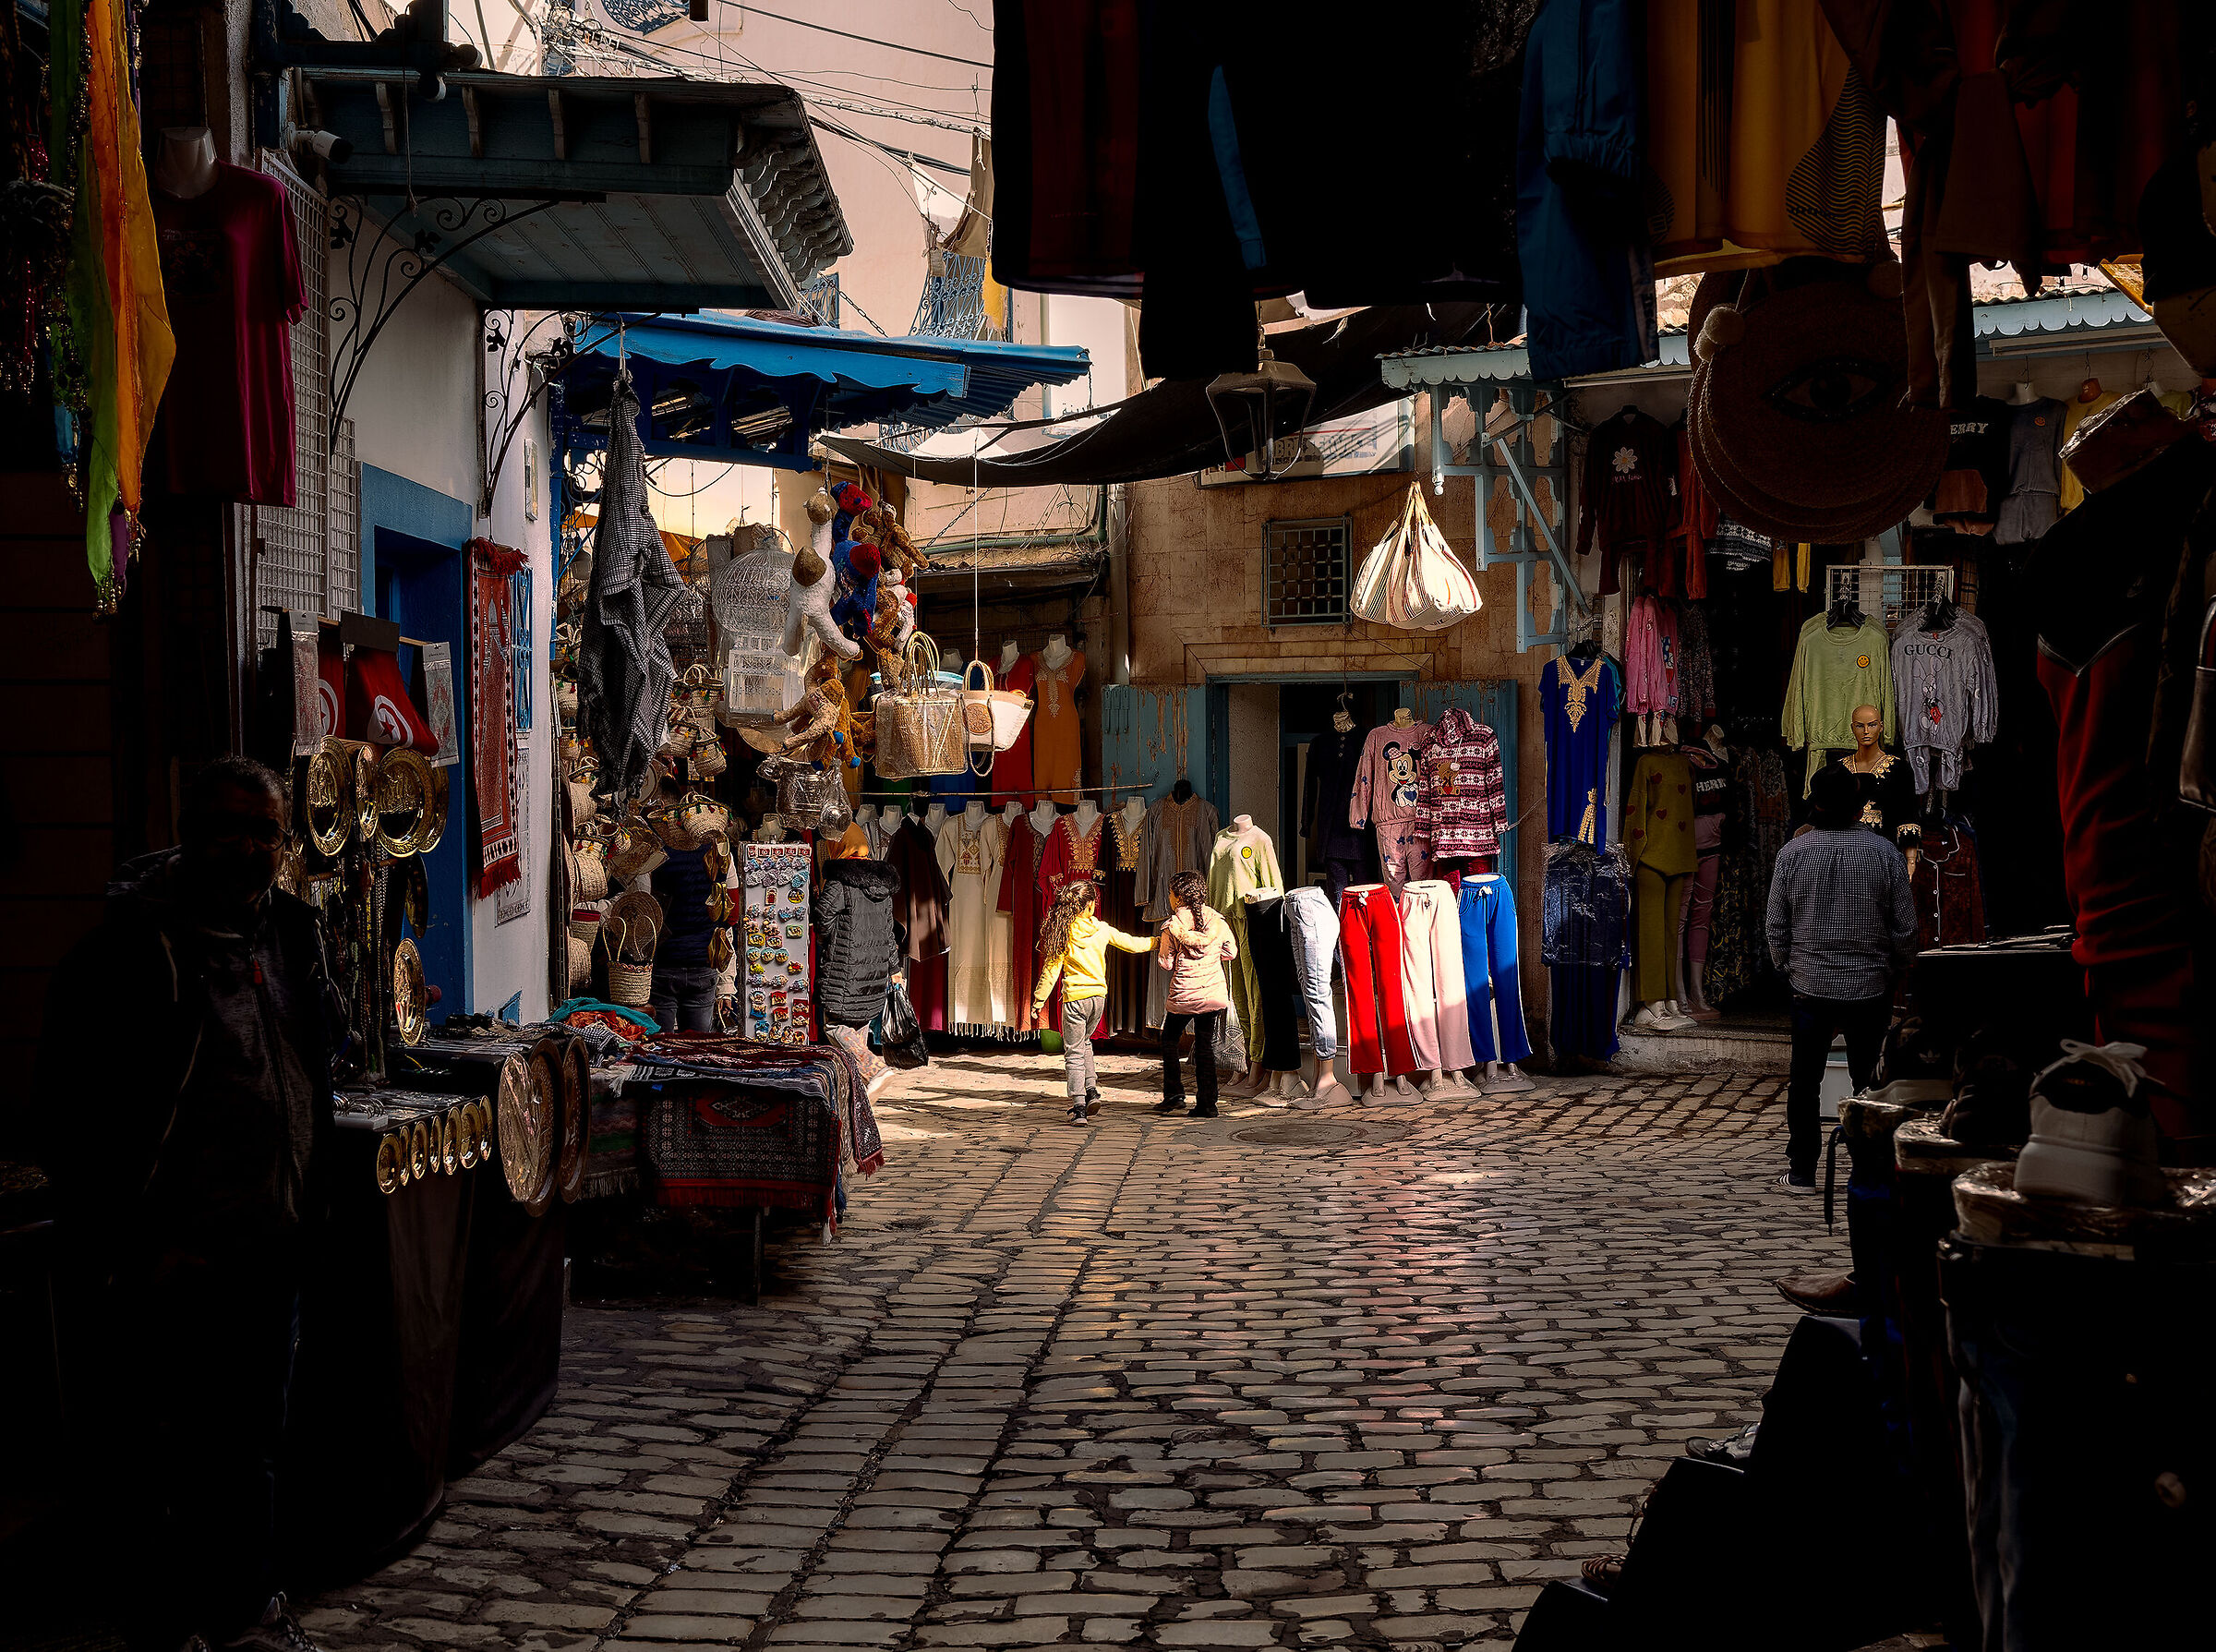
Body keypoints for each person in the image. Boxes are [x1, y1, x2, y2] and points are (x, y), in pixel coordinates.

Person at [33, 755, 343, 1652]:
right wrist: (137, 1239)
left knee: (251, 1443)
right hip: (173, 1250)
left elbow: (313, 1053)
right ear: (189, 831)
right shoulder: (127, 951)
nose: (245, 848)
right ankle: (168, 1627)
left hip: (271, 1240)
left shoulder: (290, 929)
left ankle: (246, 1611)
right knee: (163, 1449)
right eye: (226, 828)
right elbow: (68, 1109)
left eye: (264, 832)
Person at [1765, 761, 1919, 1194]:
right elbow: (1905, 927)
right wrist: (1898, 965)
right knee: (1868, 1080)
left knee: (1804, 1080)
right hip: (1869, 985)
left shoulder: (1793, 854)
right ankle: (1868, 1168)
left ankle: (1801, 1172)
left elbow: (1776, 924)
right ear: (1857, 809)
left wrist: (1789, 968)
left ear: (1815, 805)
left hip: (1810, 986)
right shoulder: (1883, 852)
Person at [1023, 878, 1152, 1124]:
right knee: (1085, 1044)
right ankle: (1092, 1090)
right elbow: (1133, 944)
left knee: (1073, 1053)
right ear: (1091, 905)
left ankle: (1079, 1106)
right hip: (1098, 999)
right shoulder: (1102, 929)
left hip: (1075, 1000)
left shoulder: (1065, 933)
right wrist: (1158, 942)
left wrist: (1038, 1001)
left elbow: (1051, 971)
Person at [646, 790, 739, 1031]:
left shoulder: (657, 855)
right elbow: (732, 915)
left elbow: (644, 909)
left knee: (662, 1048)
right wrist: (726, 985)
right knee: (697, 1050)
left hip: (665, 962)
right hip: (703, 962)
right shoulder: (720, 853)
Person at [1797, 704, 1922, 874]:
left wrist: (1910, 861)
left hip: (1882, 856)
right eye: (1859, 725)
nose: (1866, 731)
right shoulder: (1839, 769)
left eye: (1872, 724)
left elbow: (1907, 812)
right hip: (1839, 855)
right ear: (1852, 728)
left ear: (1881, 727)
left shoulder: (1899, 768)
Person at [1153, 870, 1237, 1119]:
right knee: (1205, 1048)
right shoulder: (1218, 922)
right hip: (1212, 995)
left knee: (1169, 1040)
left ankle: (1174, 1095)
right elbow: (1230, 952)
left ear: (1178, 898)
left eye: (1170, 894)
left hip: (1183, 996)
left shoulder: (1171, 927)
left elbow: (1166, 964)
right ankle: (1208, 1105)